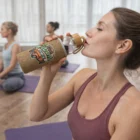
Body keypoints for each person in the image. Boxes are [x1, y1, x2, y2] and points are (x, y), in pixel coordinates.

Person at [30, 7, 140, 140]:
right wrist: (47, 74)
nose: (88, 32)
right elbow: (37, 114)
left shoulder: (133, 108)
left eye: (100, 29)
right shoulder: (83, 77)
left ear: (122, 46)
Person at [0, 21, 25, 93]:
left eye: (2, 29)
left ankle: (19, 82)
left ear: (9, 31)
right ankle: (4, 80)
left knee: (7, 86)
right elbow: (1, 63)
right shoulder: (5, 45)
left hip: (16, 75)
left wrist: (0, 75)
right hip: (6, 74)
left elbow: (12, 66)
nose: (0, 31)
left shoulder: (15, 46)